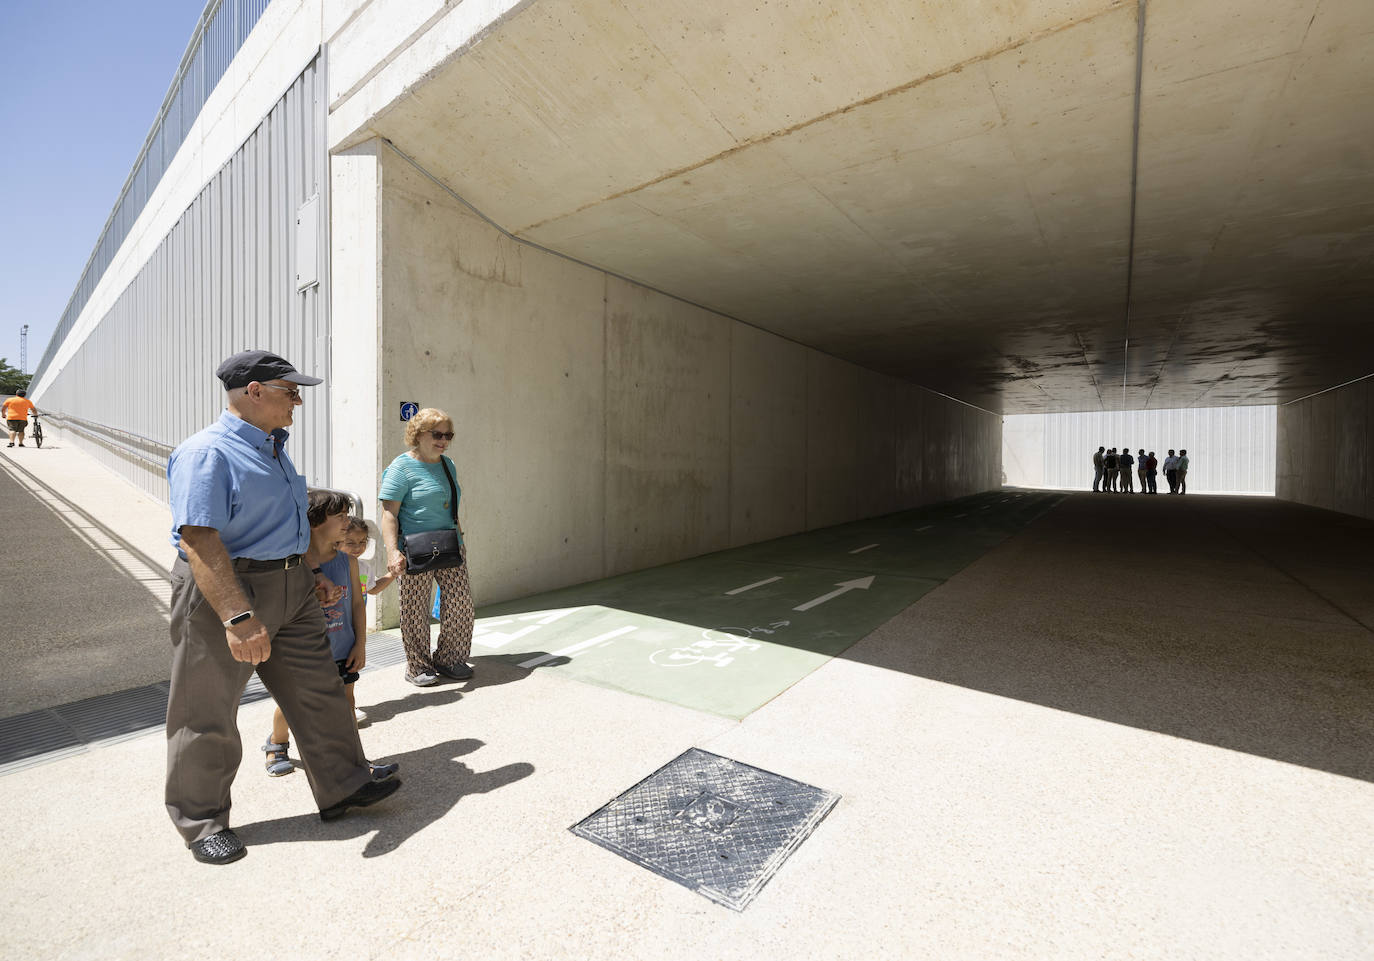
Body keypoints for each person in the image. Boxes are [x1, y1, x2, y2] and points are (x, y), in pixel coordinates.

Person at [165, 350, 401, 866]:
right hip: (228, 589)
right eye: (289, 390)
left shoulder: (274, 449)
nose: (298, 400)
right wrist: (237, 615)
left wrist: (308, 575)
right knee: (205, 711)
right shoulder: (207, 453)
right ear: (253, 391)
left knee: (320, 690)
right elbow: (200, 539)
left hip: (293, 585)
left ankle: (344, 784)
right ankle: (202, 821)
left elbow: (281, 526)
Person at [263, 490, 399, 767]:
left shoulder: (348, 562)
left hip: (342, 647)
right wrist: (315, 596)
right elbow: (285, 606)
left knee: (346, 702)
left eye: (347, 514)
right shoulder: (294, 563)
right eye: (340, 516)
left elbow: (359, 606)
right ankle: (277, 743)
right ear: (314, 522)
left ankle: (352, 758)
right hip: (306, 651)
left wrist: (360, 644)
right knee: (292, 704)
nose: (347, 521)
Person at [379, 407, 475, 686]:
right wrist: (392, 551)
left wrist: (460, 538)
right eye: (437, 434)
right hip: (414, 549)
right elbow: (388, 515)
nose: (443, 440)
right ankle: (418, 666)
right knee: (414, 609)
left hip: (449, 544)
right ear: (419, 434)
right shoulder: (401, 467)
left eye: (448, 435)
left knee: (461, 604)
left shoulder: (448, 464)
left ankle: (449, 658)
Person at [341, 516, 394, 597]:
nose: (358, 547)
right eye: (350, 543)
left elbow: (372, 589)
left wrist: (393, 574)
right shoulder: (331, 566)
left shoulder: (364, 567)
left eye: (362, 542)